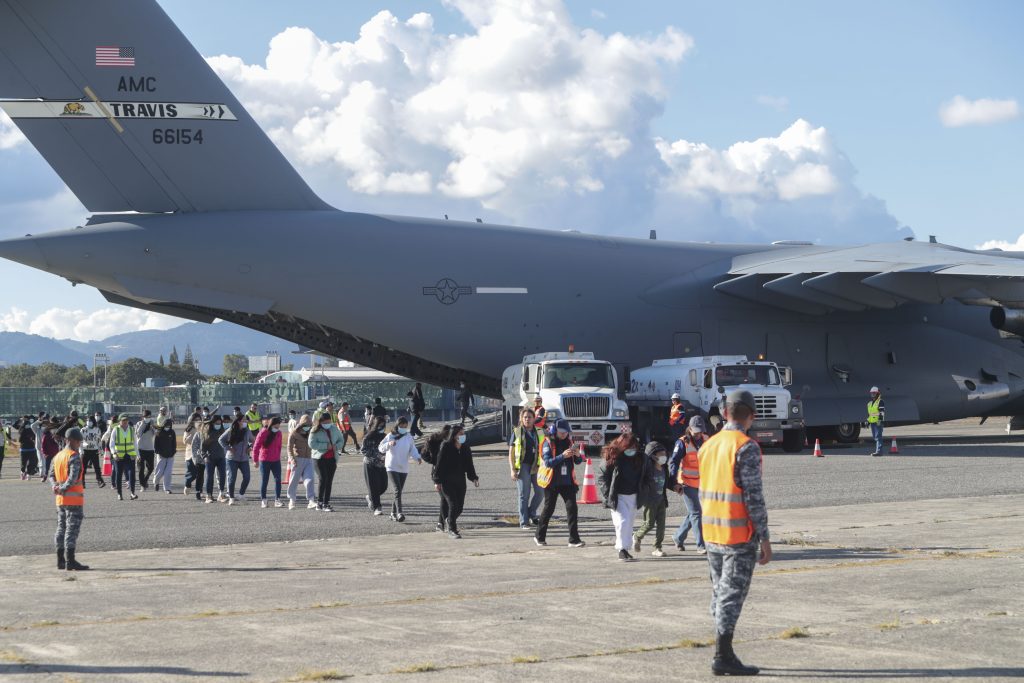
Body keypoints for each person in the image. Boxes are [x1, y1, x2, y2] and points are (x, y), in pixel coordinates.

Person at [700, 389, 772, 676]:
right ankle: (723, 654)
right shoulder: (746, 447)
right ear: (751, 416)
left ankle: (723, 650)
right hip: (738, 535)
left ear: (725, 411)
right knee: (732, 595)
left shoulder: (709, 445)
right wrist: (765, 537)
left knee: (719, 592)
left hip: (711, 532)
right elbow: (754, 497)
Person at [534, 418, 585, 548]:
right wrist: (563, 456)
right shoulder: (547, 442)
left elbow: (578, 462)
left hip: (568, 482)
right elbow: (548, 462)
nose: (564, 434)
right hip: (552, 482)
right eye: (561, 432)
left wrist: (578, 454)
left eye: (566, 432)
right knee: (548, 509)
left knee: (572, 509)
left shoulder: (570, 442)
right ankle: (539, 536)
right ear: (555, 430)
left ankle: (574, 540)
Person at [598, 432, 646, 561]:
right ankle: (621, 549)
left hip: (634, 496)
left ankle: (625, 548)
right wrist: (608, 495)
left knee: (629, 523)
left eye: (634, 447)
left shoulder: (640, 458)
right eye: (628, 447)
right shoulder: (612, 458)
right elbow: (602, 477)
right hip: (617, 496)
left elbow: (646, 475)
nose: (631, 450)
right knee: (622, 522)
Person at [51, 427, 89, 571]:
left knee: (61, 528)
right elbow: (73, 478)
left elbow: (51, 475)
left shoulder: (58, 456)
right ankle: (70, 561)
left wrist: (55, 487)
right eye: (78, 441)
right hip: (73, 500)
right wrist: (63, 488)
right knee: (71, 531)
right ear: (71, 440)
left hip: (60, 500)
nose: (79, 443)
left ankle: (60, 560)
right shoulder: (73, 456)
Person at [432, 425, 479, 539]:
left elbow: (469, 465)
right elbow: (439, 465)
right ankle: (452, 530)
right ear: (454, 436)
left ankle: (449, 520)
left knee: (460, 507)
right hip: (447, 481)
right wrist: (437, 481)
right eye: (460, 434)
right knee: (453, 504)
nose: (463, 436)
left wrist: (474, 477)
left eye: (464, 434)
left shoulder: (466, 448)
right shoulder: (446, 446)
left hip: (460, 480)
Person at [670, 415, 709, 553]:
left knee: (694, 512)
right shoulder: (682, 443)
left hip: (702, 483)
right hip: (686, 483)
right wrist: (673, 482)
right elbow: (673, 462)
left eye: (701, 431)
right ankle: (701, 545)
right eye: (696, 431)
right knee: (697, 513)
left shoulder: (706, 440)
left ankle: (678, 537)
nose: (699, 434)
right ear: (690, 429)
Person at [508, 408, 544, 529]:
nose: (527, 419)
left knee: (540, 492)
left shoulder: (540, 431)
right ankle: (524, 522)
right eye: (525, 417)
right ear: (521, 419)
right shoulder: (517, 432)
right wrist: (512, 469)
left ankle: (531, 513)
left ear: (534, 419)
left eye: (529, 417)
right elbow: (511, 453)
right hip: (523, 466)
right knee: (524, 494)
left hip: (536, 465)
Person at [380, 416, 422, 522]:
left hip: (403, 467)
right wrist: (389, 444)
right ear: (397, 425)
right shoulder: (391, 435)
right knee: (397, 490)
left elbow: (412, 449)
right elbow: (380, 447)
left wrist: (417, 457)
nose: (404, 427)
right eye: (401, 425)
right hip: (392, 466)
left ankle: (392, 513)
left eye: (405, 425)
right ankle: (399, 513)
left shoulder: (408, 436)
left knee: (398, 491)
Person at [633, 442, 671, 557]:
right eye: (661, 454)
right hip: (650, 500)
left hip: (661, 500)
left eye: (664, 454)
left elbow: (667, 482)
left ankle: (657, 547)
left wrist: (675, 486)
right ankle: (637, 536)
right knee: (649, 524)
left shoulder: (664, 467)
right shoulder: (647, 469)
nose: (663, 456)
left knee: (661, 526)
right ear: (653, 455)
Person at [309, 412, 344, 512]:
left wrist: (336, 446)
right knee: (323, 479)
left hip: (332, 458)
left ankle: (326, 503)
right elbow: (311, 444)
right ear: (321, 422)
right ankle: (319, 502)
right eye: (325, 422)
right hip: (319, 458)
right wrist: (325, 446)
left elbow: (341, 440)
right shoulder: (315, 430)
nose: (327, 424)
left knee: (329, 481)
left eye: (329, 422)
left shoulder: (334, 429)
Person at [422, 425, 452, 531]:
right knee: (445, 498)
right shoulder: (435, 441)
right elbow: (424, 454)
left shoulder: (452, 442)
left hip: (449, 474)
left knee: (445, 498)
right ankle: (445, 521)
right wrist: (434, 461)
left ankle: (440, 523)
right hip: (437, 474)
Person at [220, 416, 252, 504]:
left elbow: (253, 440)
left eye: (246, 420)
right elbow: (221, 439)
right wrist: (228, 448)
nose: (245, 422)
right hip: (232, 458)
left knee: (247, 477)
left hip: (244, 458)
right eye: (243, 420)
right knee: (232, 478)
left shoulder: (247, 431)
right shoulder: (231, 430)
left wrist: (250, 447)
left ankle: (241, 494)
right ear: (238, 422)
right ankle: (231, 497)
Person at [254, 416, 284, 508]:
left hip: (276, 460)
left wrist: (278, 457)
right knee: (264, 480)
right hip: (264, 460)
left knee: (278, 479)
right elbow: (256, 446)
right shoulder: (263, 432)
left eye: (278, 427)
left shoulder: (279, 433)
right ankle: (264, 500)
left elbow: (279, 446)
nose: (277, 429)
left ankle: (277, 499)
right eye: (275, 427)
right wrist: (255, 460)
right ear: (271, 425)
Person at [286, 415, 316, 509]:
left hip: (309, 459)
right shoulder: (294, 433)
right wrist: (292, 459)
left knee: (310, 479)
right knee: (294, 480)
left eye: (309, 424)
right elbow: (289, 448)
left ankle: (311, 500)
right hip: (297, 460)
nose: (308, 426)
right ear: (301, 424)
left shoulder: (312, 432)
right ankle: (292, 500)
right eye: (306, 424)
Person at [361, 416, 389, 515]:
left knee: (384, 486)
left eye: (384, 425)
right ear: (375, 425)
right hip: (370, 464)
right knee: (373, 487)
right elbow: (364, 450)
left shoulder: (385, 436)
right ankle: (377, 507)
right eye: (380, 425)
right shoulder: (368, 437)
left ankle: (370, 497)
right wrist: (377, 455)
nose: (382, 427)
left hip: (382, 465)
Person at [110, 414, 138, 501]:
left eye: (126, 420)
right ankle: (119, 494)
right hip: (119, 456)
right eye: (123, 420)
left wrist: (137, 454)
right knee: (119, 475)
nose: (125, 422)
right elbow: (112, 443)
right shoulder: (116, 430)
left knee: (132, 474)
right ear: (119, 421)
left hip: (130, 455)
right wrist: (114, 454)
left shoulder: (131, 429)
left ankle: (132, 493)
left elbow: (135, 443)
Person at [200, 416, 228, 503]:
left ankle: (221, 494)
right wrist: (204, 456)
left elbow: (228, 441)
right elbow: (202, 447)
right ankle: (208, 495)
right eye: (216, 423)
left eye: (220, 423)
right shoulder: (207, 433)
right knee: (210, 477)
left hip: (221, 457)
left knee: (222, 475)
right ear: (212, 423)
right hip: (210, 458)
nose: (218, 425)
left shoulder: (223, 431)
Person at [183, 411, 204, 499]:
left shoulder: (203, 429)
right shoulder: (189, 429)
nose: (198, 421)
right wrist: (191, 438)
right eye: (196, 420)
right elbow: (185, 441)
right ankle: (188, 484)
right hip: (190, 454)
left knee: (200, 474)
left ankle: (199, 491)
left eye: (199, 419)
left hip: (201, 455)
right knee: (192, 473)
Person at [80, 417, 105, 489]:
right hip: (85, 450)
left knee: (97, 467)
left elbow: (99, 441)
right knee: (83, 468)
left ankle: (100, 481)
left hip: (94, 450)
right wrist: (81, 451)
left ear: (93, 421)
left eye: (90, 420)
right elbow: (80, 442)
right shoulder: (83, 430)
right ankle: (82, 482)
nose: (88, 422)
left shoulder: (97, 430)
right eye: (87, 420)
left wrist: (101, 450)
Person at [135, 410, 157, 491]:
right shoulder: (138, 424)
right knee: (141, 468)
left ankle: (145, 480)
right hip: (140, 449)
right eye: (146, 417)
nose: (147, 418)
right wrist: (143, 424)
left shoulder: (153, 423)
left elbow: (157, 433)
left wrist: (153, 427)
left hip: (150, 449)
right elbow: (138, 434)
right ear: (143, 417)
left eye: (149, 417)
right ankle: (142, 485)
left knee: (151, 468)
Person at [153, 418, 176, 494]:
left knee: (168, 472)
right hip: (161, 455)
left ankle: (167, 488)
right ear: (163, 425)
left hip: (170, 455)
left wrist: (173, 451)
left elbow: (174, 443)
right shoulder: (159, 432)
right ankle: (156, 482)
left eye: (169, 426)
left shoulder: (172, 432)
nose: (167, 427)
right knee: (159, 471)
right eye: (166, 425)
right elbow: (156, 444)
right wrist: (157, 451)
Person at [867, 386, 886, 457]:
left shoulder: (880, 402)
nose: (872, 395)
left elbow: (881, 412)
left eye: (874, 393)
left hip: (878, 422)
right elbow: (870, 414)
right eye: (872, 393)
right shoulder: (869, 403)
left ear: (878, 394)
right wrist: (867, 421)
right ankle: (878, 451)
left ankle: (879, 452)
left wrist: (879, 421)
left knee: (878, 437)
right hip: (872, 423)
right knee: (875, 437)